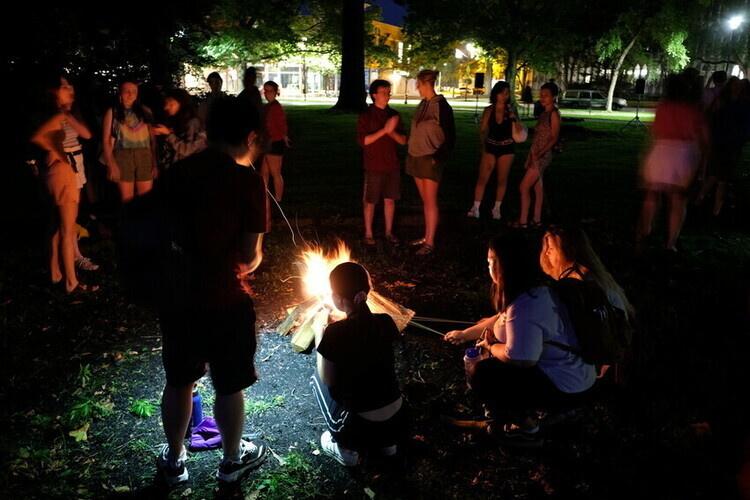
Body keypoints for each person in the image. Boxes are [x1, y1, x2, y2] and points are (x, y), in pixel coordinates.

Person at [155, 96, 268, 486]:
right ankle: (232, 461)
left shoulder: (177, 174)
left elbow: (160, 232)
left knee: (180, 380)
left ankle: (174, 461)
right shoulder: (248, 182)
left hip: (179, 295)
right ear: (250, 137)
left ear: (210, 131)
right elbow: (250, 254)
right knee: (229, 382)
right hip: (225, 299)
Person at [444, 234, 595, 442]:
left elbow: (522, 359)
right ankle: (500, 418)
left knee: (484, 374)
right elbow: (501, 320)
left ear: (507, 264)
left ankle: (528, 430)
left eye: (491, 261)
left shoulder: (527, 304)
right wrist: (465, 334)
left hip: (567, 383)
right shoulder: (531, 289)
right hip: (571, 372)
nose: (488, 266)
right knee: (490, 364)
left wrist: (491, 345)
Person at [311, 262, 405, 466]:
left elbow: (327, 378)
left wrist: (320, 333)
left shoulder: (334, 333)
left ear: (336, 298)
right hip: (397, 419)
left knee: (317, 380)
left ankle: (346, 451)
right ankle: (387, 445)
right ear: (368, 291)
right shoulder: (386, 321)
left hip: (358, 428)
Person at [31, 73, 99, 293]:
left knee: (58, 227)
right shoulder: (56, 115)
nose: (69, 88)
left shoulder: (61, 114)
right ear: (52, 92)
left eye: (70, 85)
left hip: (57, 173)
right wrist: (56, 152)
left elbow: (87, 134)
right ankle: (71, 282)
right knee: (68, 230)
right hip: (62, 173)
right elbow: (38, 137)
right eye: (64, 86)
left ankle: (56, 274)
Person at [638, 71, 707, 251]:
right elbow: (703, 138)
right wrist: (700, 163)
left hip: (660, 151)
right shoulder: (692, 110)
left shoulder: (662, 108)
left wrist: (647, 157)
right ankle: (670, 242)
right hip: (682, 154)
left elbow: (654, 133)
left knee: (652, 195)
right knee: (677, 200)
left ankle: (646, 230)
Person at [406, 69, 455, 255]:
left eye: (418, 83)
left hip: (431, 158)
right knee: (425, 200)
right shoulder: (422, 104)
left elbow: (450, 136)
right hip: (416, 157)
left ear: (425, 83)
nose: (417, 87)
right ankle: (427, 236)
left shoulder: (442, 106)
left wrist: (438, 157)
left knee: (430, 201)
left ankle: (430, 242)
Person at [357, 79, 407, 245]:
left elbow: (403, 140)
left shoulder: (393, 115)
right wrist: (384, 130)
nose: (387, 95)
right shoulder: (366, 115)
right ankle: (369, 233)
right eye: (384, 92)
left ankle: (388, 232)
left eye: (388, 92)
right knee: (370, 200)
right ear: (374, 95)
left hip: (392, 165)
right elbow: (364, 141)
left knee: (390, 199)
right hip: (373, 165)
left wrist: (391, 132)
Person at [468, 81, 523, 220]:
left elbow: (519, 130)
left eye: (507, 93)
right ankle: (476, 207)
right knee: (483, 178)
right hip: (491, 146)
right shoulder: (489, 110)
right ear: (496, 94)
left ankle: (497, 209)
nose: (505, 96)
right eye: (502, 93)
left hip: (507, 147)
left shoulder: (511, 110)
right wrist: (483, 147)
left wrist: (513, 118)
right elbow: (483, 130)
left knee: (502, 179)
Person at [696, 77, 747, 216]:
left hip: (730, 143)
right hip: (722, 142)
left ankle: (709, 202)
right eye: (735, 85)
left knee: (720, 175)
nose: (738, 88)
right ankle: (711, 203)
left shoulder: (739, 103)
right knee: (718, 175)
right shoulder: (724, 103)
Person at [101, 78, 157, 202]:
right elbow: (106, 140)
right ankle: (128, 220)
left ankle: (144, 221)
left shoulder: (145, 111)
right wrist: (111, 164)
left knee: (146, 198)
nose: (131, 94)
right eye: (127, 91)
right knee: (127, 199)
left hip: (144, 155)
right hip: (123, 156)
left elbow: (152, 139)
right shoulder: (113, 112)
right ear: (120, 93)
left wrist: (155, 162)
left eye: (134, 91)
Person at [516, 82, 560, 228]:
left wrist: (540, 153)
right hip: (535, 152)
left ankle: (523, 221)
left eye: (546, 95)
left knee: (523, 187)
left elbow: (554, 137)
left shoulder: (554, 114)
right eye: (541, 95)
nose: (542, 98)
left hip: (542, 154)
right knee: (537, 188)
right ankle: (536, 219)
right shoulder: (543, 113)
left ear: (553, 97)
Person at [152, 88, 207, 169]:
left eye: (171, 104)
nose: (166, 107)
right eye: (166, 103)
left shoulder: (193, 123)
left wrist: (168, 134)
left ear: (182, 104)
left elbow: (187, 150)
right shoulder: (175, 120)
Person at [261, 81, 289, 203]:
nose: (267, 94)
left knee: (275, 173)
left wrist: (283, 136)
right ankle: (265, 197)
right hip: (268, 144)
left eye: (270, 91)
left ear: (275, 92)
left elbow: (281, 126)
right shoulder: (268, 107)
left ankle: (278, 199)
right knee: (264, 172)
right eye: (265, 91)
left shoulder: (276, 108)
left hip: (274, 143)